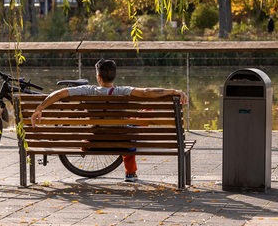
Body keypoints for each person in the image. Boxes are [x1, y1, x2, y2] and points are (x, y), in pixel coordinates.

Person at [30, 59, 188, 182]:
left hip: (93, 142)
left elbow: (58, 94)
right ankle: (130, 173)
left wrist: (39, 109)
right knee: (135, 121)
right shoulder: (122, 91)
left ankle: (130, 169)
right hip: (124, 140)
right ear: (114, 75)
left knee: (125, 126)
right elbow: (147, 92)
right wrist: (175, 91)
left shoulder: (88, 90)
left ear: (98, 77)